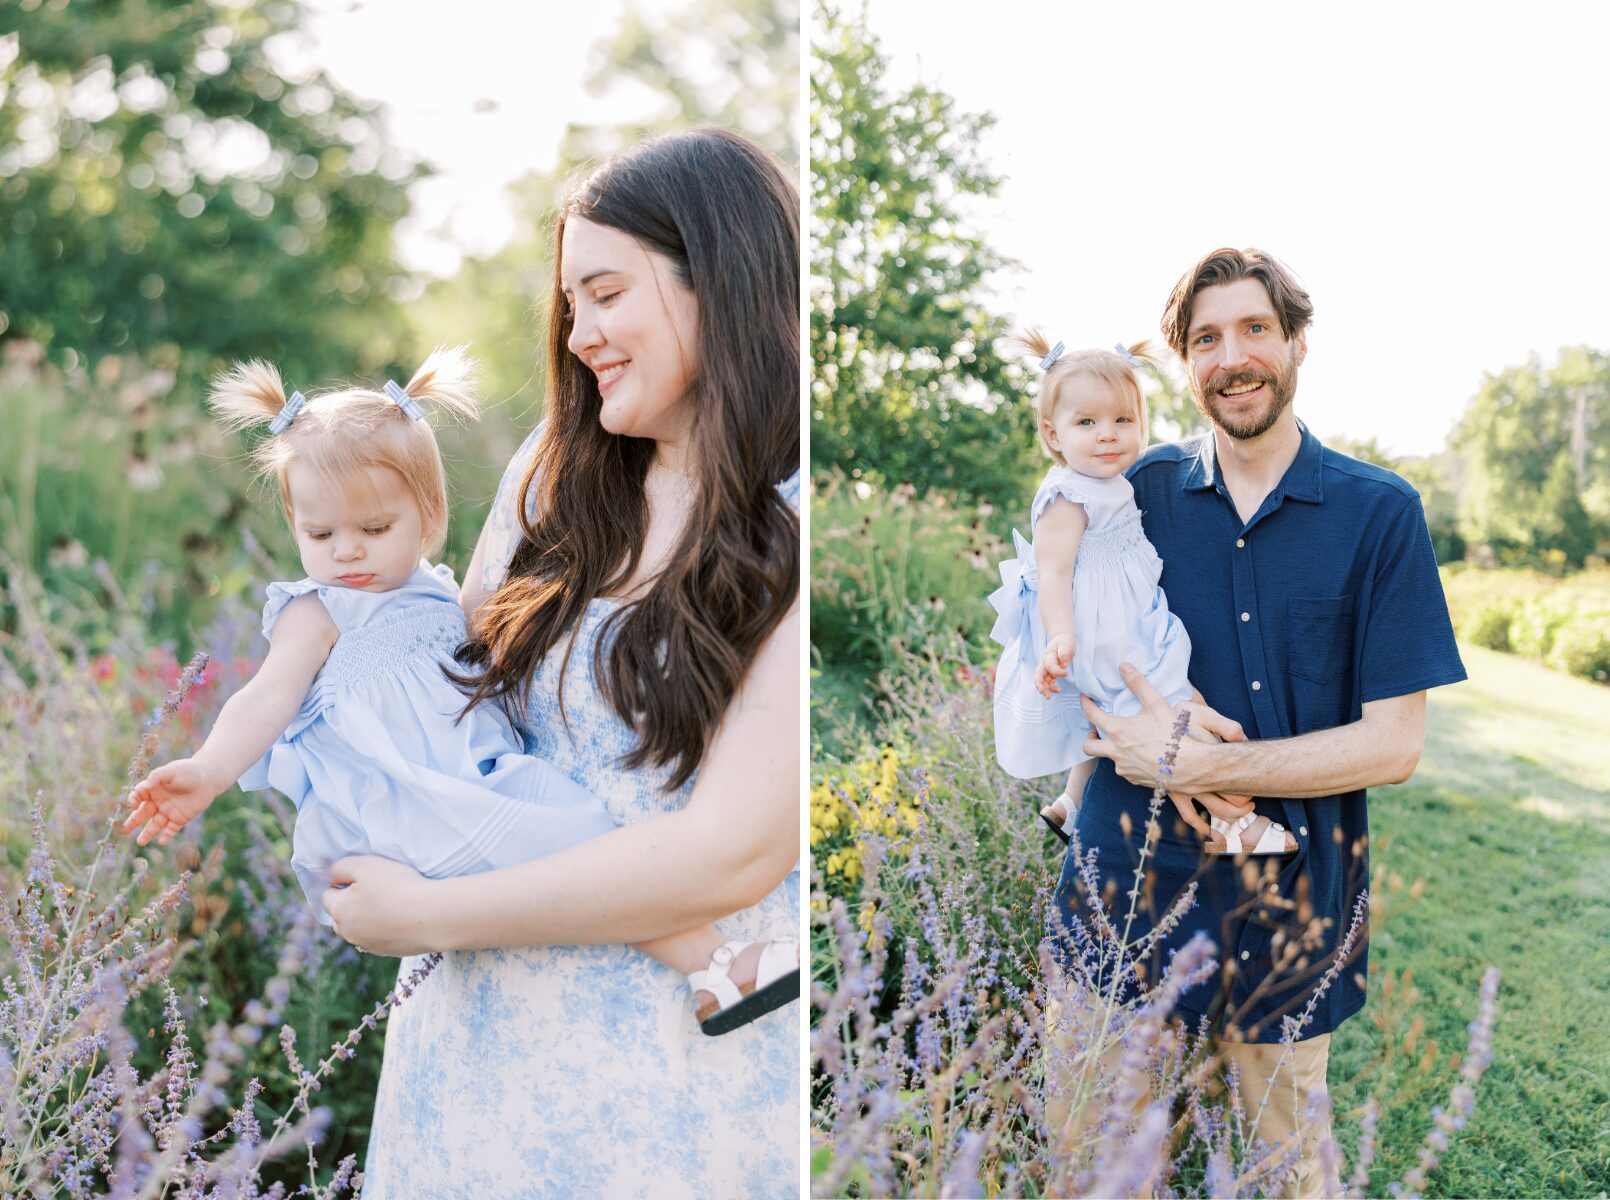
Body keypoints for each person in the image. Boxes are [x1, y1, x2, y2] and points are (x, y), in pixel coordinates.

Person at [319, 128, 801, 1197]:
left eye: (606, 293)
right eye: (568, 303)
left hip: (667, 1080)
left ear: (718, 280)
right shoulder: (555, 473)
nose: (578, 334)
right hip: (472, 1058)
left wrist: (428, 913)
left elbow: (726, 856)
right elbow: (457, 706)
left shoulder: (801, 517)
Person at [121, 348, 796, 1036]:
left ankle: (717, 967)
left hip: (464, 786)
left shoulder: (439, 594)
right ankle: (718, 960)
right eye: (318, 533)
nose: (346, 552)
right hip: (408, 802)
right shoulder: (317, 611)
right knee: (569, 835)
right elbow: (266, 697)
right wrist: (208, 770)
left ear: (429, 514)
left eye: (374, 529)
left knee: (577, 840)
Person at [1052, 248, 1466, 1198]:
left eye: (1254, 330)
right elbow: (1057, 634)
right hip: (1124, 876)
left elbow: (1395, 743)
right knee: (1089, 1157)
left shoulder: (1379, 514)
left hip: (1289, 908)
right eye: (1205, 339)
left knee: (1287, 1169)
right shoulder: (1135, 493)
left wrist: (1200, 768)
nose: (1231, 357)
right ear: (1184, 364)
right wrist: (1121, 754)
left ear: (1297, 344)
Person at [988, 332, 1296, 855]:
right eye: (1087, 423)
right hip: (1105, 633)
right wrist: (1060, 637)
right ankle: (1232, 822)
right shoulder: (1067, 494)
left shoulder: (1111, 478)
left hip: (1130, 618)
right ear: (1053, 433)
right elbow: (1053, 573)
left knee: (1132, 709)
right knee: (1178, 711)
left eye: (1122, 421)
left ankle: (1072, 799)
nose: (1107, 435)